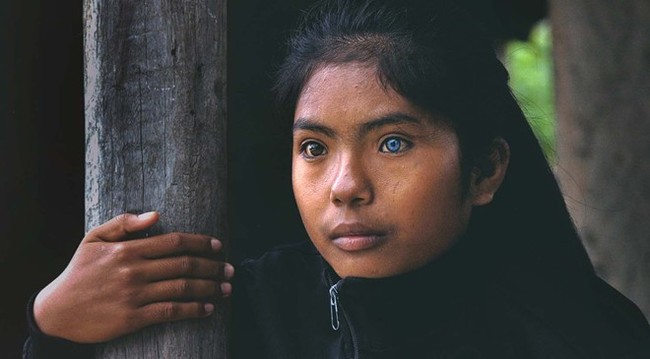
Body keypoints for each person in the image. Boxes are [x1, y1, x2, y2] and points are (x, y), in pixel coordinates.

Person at [24, 0, 650, 358]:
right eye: (315, 147)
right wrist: (51, 329)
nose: (345, 185)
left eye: (394, 142)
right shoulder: (230, 309)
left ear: (485, 171)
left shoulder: (577, 340)